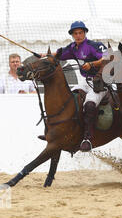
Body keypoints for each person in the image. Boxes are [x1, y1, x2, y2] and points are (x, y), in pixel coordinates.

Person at [42, 21, 108, 152]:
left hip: (100, 81)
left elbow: (108, 58)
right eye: (75, 33)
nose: (78, 35)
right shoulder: (73, 47)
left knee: (89, 104)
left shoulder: (94, 45)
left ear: (85, 33)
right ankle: (57, 132)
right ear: (72, 35)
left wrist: (93, 64)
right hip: (85, 80)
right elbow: (57, 54)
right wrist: (43, 56)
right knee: (69, 101)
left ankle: (87, 138)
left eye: (80, 33)